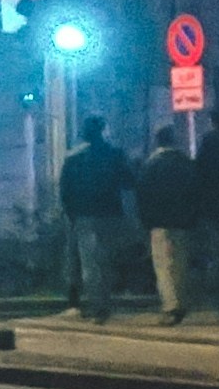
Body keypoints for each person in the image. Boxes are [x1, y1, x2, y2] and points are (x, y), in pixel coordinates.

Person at [56, 118, 132, 324]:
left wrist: (71, 214)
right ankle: (104, 302)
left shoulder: (74, 158)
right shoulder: (115, 154)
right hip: (110, 213)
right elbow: (128, 182)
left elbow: (65, 191)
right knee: (106, 261)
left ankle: (99, 306)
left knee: (91, 264)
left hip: (84, 216)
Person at [134, 128, 204, 324]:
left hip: (159, 222)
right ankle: (181, 301)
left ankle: (171, 306)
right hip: (183, 221)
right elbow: (196, 192)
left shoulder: (151, 165)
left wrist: (145, 221)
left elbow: (143, 195)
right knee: (180, 263)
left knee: (163, 265)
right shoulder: (186, 164)